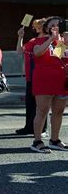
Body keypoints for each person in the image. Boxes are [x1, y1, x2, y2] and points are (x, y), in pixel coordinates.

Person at [30, 16, 67, 153]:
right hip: (43, 80)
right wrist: (51, 38)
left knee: (58, 111)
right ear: (46, 28)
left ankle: (55, 140)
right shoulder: (38, 40)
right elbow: (38, 53)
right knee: (42, 111)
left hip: (60, 81)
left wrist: (62, 41)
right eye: (53, 25)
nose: (56, 27)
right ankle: (37, 141)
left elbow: (60, 59)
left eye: (58, 25)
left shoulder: (61, 43)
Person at [15, 18, 48, 136]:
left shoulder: (50, 40)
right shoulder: (33, 40)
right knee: (30, 104)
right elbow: (19, 51)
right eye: (35, 26)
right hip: (31, 77)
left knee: (42, 105)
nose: (35, 28)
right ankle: (29, 127)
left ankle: (43, 129)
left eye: (38, 26)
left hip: (43, 77)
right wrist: (20, 37)